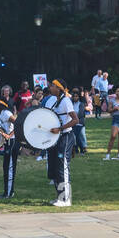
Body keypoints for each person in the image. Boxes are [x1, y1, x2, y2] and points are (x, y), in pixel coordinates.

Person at [40, 79, 78, 207]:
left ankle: (65, 199)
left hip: (65, 137)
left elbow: (75, 120)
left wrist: (60, 129)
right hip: (54, 138)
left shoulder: (66, 101)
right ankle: (59, 197)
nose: (50, 87)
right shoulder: (51, 100)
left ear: (59, 88)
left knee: (63, 167)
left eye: (52, 86)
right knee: (54, 167)